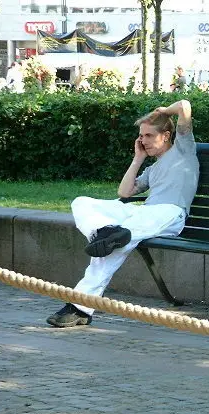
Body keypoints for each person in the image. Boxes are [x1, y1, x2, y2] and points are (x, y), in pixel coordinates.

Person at [46, 99, 199, 328]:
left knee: (118, 241)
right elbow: (124, 192)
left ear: (166, 135)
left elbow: (184, 105)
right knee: (82, 203)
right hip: (143, 215)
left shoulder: (183, 149)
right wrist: (138, 159)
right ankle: (104, 233)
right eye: (141, 136)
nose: (142, 140)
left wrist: (164, 111)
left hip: (169, 215)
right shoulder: (152, 168)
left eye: (148, 135)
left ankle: (79, 306)